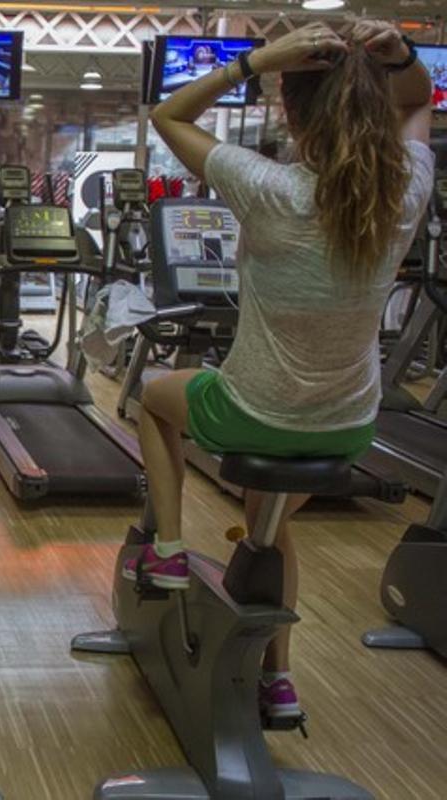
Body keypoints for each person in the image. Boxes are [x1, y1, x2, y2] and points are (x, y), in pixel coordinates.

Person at [123, 20, 434, 724]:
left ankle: (169, 550)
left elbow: (168, 115)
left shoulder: (267, 186)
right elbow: (418, 104)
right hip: (347, 428)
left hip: (254, 410)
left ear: (289, 111)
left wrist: (253, 61)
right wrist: (402, 59)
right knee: (270, 527)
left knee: (151, 395)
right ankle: (279, 682)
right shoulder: (404, 191)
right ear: (371, 106)